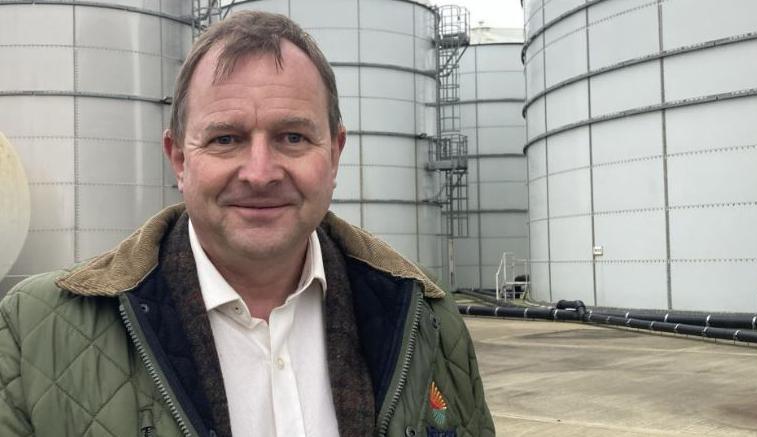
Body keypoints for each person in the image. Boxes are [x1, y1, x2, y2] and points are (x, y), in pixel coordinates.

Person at [0, 11, 493, 437]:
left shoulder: (427, 320)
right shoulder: (35, 333)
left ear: (336, 153)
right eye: (226, 139)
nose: (260, 172)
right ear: (178, 158)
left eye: (293, 137)